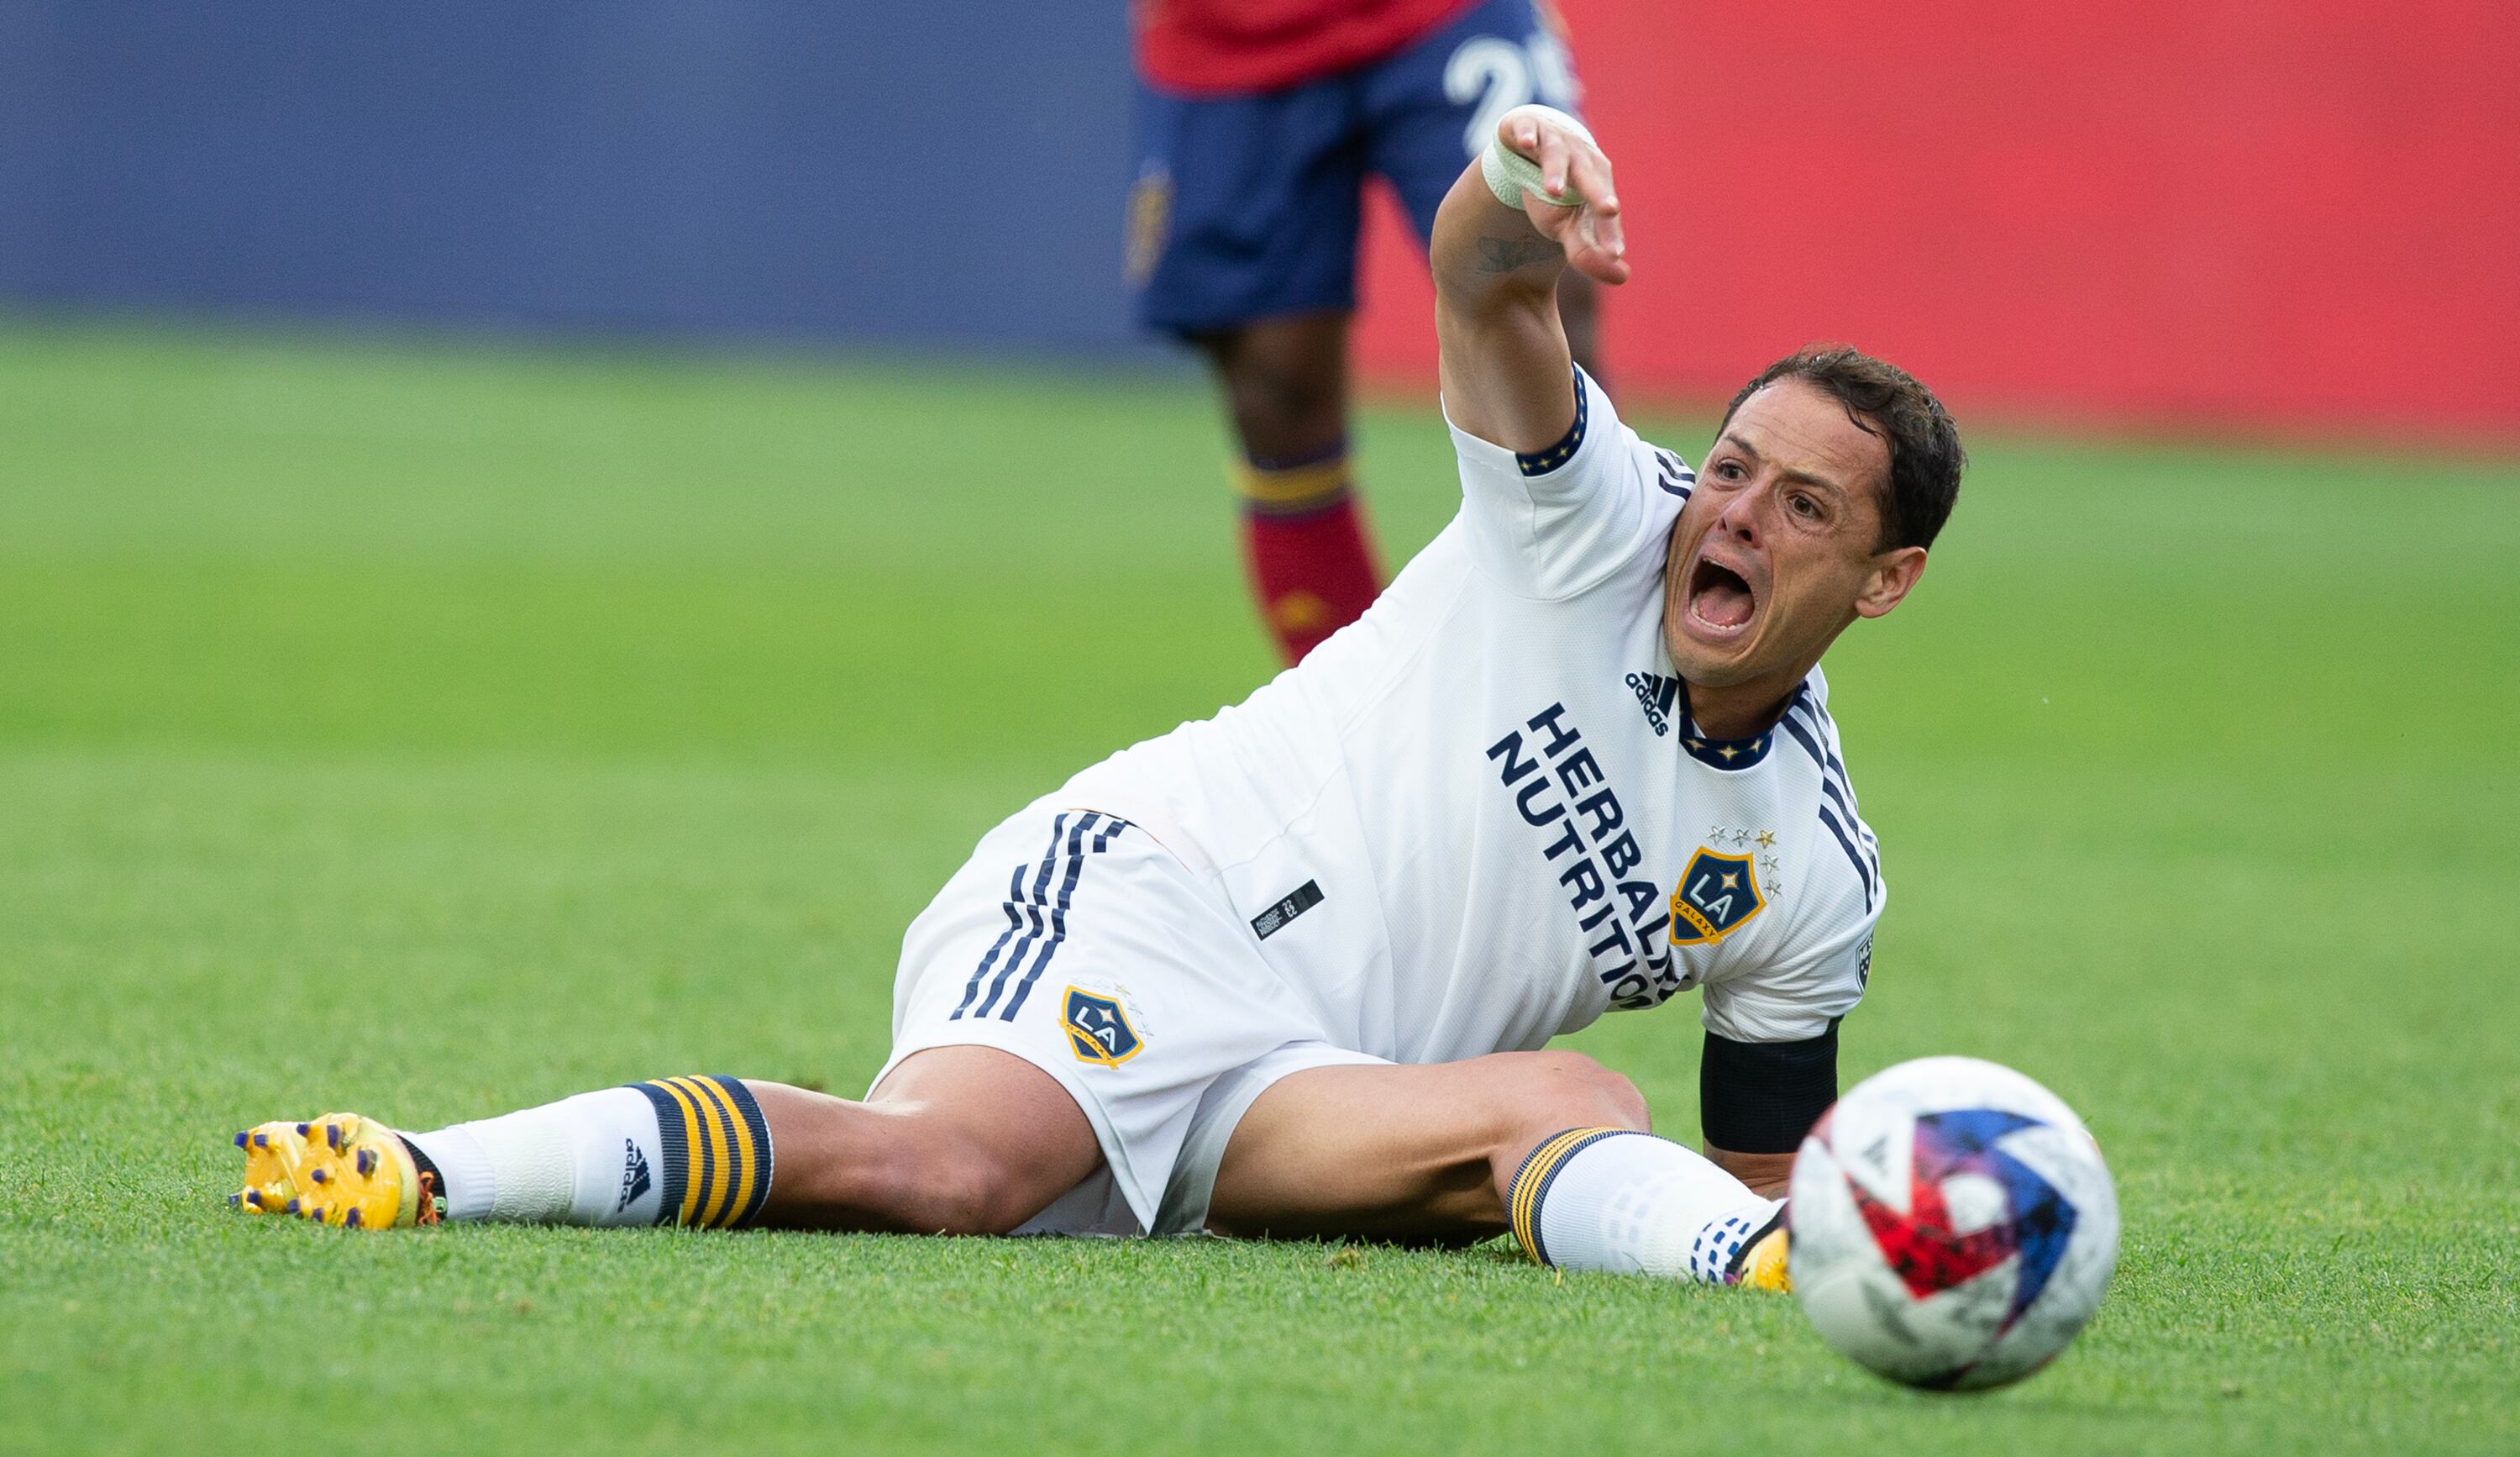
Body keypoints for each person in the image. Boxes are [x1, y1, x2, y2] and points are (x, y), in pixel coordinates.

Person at [229, 107, 1964, 1293]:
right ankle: (419, 1165)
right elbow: (1487, 289)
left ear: (1884, 582)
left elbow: (1755, 1174)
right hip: (1153, 892)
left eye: (1802, 508)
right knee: (944, 1182)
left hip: (1309, 1086)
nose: (1730, 514)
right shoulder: (1597, 516)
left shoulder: (1808, 877)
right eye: (1735, 466)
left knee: (1588, 1110)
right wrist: (1515, 189)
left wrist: (1820, 1253)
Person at [1127, 0, 1606, 664]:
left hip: (1441, 15)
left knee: (1540, 281)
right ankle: (1363, 726)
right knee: (1276, 381)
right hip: (1232, 37)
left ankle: (1601, 669)